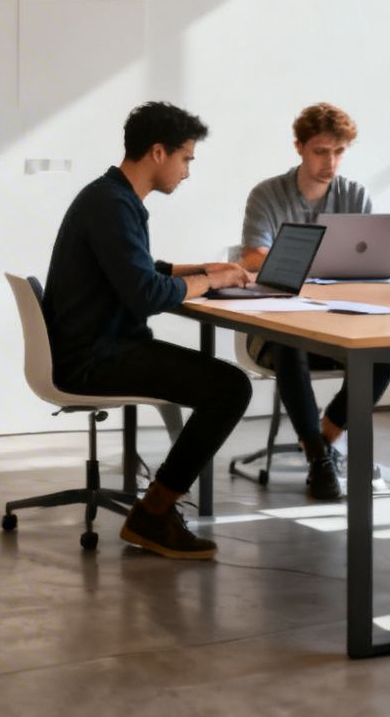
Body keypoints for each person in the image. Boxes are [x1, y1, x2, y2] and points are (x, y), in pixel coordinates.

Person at [45, 102, 252, 560]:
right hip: (95, 359)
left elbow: (138, 269)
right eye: (186, 159)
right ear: (158, 152)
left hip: (98, 347)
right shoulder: (112, 204)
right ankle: (154, 512)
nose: (188, 171)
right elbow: (145, 293)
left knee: (223, 384)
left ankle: (156, 507)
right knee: (231, 387)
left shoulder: (111, 197)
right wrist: (210, 281)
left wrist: (202, 268)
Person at [238, 103, 390, 501]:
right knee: (292, 346)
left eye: (339, 152)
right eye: (321, 151)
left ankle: (323, 440)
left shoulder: (354, 194)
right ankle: (319, 458)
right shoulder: (268, 194)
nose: (331, 162)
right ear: (300, 148)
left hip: (338, 322)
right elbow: (254, 256)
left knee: (382, 360)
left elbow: (367, 260)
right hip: (275, 327)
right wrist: (323, 267)